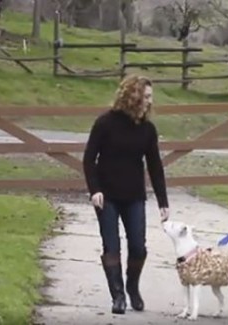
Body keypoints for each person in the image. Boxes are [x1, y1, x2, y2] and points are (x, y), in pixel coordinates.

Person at [82, 75, 170, 315]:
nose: (150, 101)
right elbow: (89, 159)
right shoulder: (105, 123)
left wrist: (163, 201)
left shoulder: (148, 130)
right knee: (112, 245)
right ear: (133, 97)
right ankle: (118, 295)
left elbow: (155, 166)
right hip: (107, 195)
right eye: (147, 96)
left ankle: (132, 287)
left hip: (134, 195)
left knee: (138, 247)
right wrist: (95, 190)